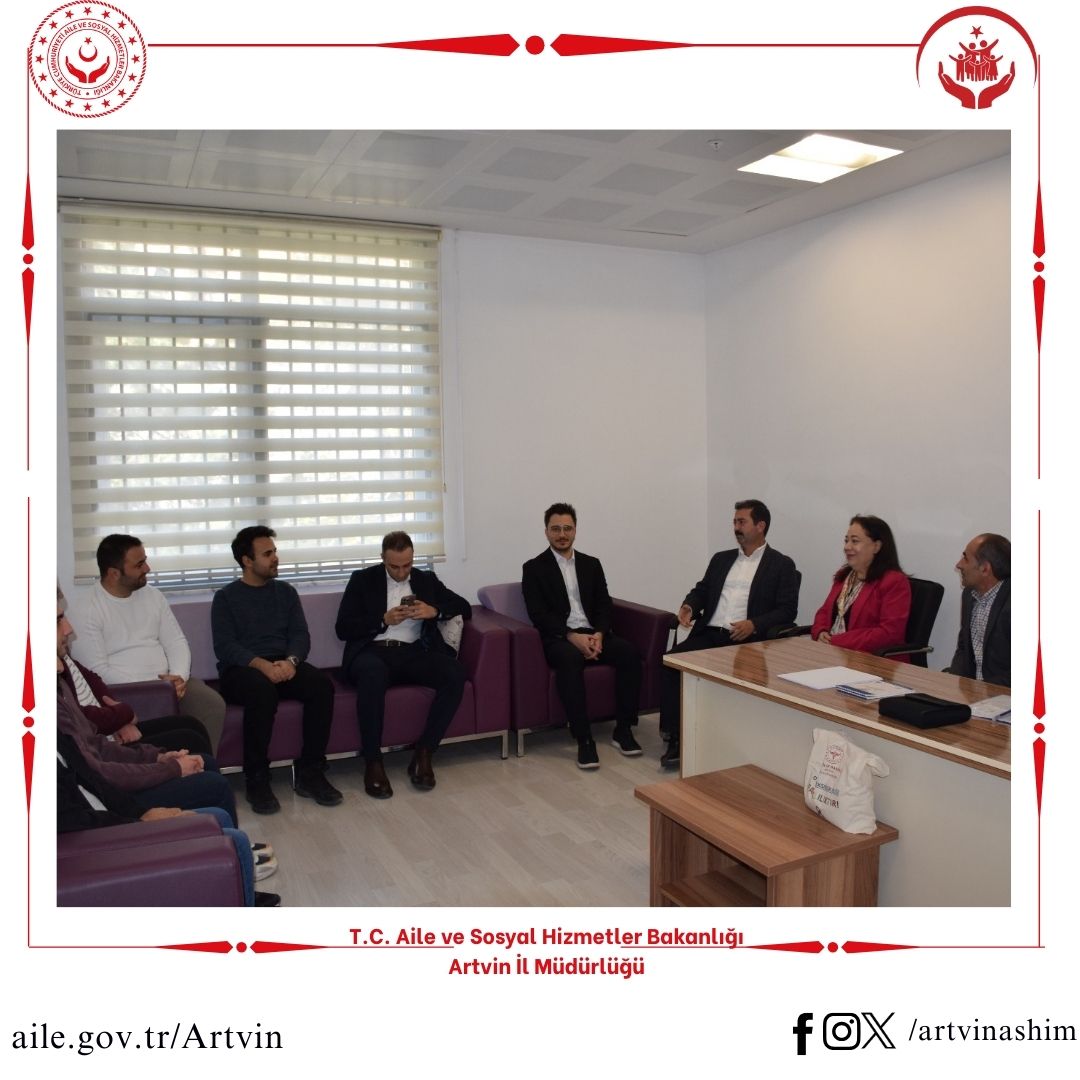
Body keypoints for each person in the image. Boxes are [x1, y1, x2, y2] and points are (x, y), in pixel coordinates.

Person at [57, 589, 239, 826]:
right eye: (58, 620)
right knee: (215, 785)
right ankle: (222, 844)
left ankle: (222, 843)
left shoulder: (58, 683)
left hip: (111, 781)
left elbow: (98, 744)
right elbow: (98, 773)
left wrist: (158, 757)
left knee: (204, 757)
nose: (69, 628)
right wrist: (170, 769)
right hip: (111, 799)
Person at [57, 723, 280, 907]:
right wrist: (136, 822)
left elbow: (96, 781)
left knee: (220, 818)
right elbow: (69, 819)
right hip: (96, 840)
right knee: (236, 840)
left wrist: (141, 811)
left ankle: (237, 893)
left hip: (111, 817)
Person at [659, 499, 800, 767]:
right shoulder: (722, 559)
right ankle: (676, 738)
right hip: (710, 633)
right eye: (734, 521)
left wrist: (754, 624)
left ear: (761, 526)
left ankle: (727, 743)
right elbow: (702, 590)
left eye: (742, 522)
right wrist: (690, 605)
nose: (736, 527)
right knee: (672, 662)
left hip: (745, 641)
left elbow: (787, 610)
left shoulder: (781, 564)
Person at [211, 526, 342, 815]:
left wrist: (291, 662)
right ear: (247, 560)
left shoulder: (285, 592)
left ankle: (310, 771)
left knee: (321, 685)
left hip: (284, 663)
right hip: (242, 670)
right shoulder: (226, 597)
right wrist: (261, 665)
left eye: (275, 551)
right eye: (267, 553)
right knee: (261, 691)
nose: (275, 558)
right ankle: (257, 778)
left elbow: (300, 634)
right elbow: (225, 646)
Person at [336, 531, 471, 797]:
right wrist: (383, 620)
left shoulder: (425, 579)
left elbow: (464, 606)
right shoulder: (362, 579)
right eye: (394, 567)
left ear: (413, 558)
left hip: (413, 652)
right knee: (373, 674)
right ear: (382, 559)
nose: (401, 572)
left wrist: (434, 611)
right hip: (372, 653)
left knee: (455, 673)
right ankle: (373, 761)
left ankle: (424, 751)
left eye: (407, 565)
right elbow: (343, 628)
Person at [68, 534, 226, 751]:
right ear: (114, 573)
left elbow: (176, 641)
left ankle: (203, 766)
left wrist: (179, 677)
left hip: (170, 684)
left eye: (145, 561)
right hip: (124, 692)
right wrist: (156, 689)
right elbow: (97, 670)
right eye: (139, 564)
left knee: (212, 705)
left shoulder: (153, 596)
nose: (147, 568)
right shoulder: (85, 608)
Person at [521, 503, 643, 770]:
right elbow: (538, 614)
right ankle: (584, 738)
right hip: (558, 638)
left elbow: (604, 605)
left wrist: (599, 634)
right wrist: (571, 636)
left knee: (629, 654)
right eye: (556, 529)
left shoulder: (591, 564)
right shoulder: (533, 568)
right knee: (570, 660)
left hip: (594, 632)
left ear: (575, 530)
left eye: (567, 528)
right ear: (546, 532)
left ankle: (623, 729)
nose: (562, 534)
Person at [811, 515, 911, 656]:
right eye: (846, 541)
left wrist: (837, 641)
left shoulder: (894, 581)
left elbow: (888, 633)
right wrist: (821, 631)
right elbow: (824, 611)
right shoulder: (844, 576)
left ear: (876, 546)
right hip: (833, 654)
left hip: (873, 660)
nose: (847, 547)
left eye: (855, 541)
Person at [947, 533, 1011, 686]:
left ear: (985, 568)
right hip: (974, 689)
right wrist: (953, 683)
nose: (958, 565)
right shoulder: (969, 594)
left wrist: (983, 690)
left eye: (965, 558)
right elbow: (963, 649)